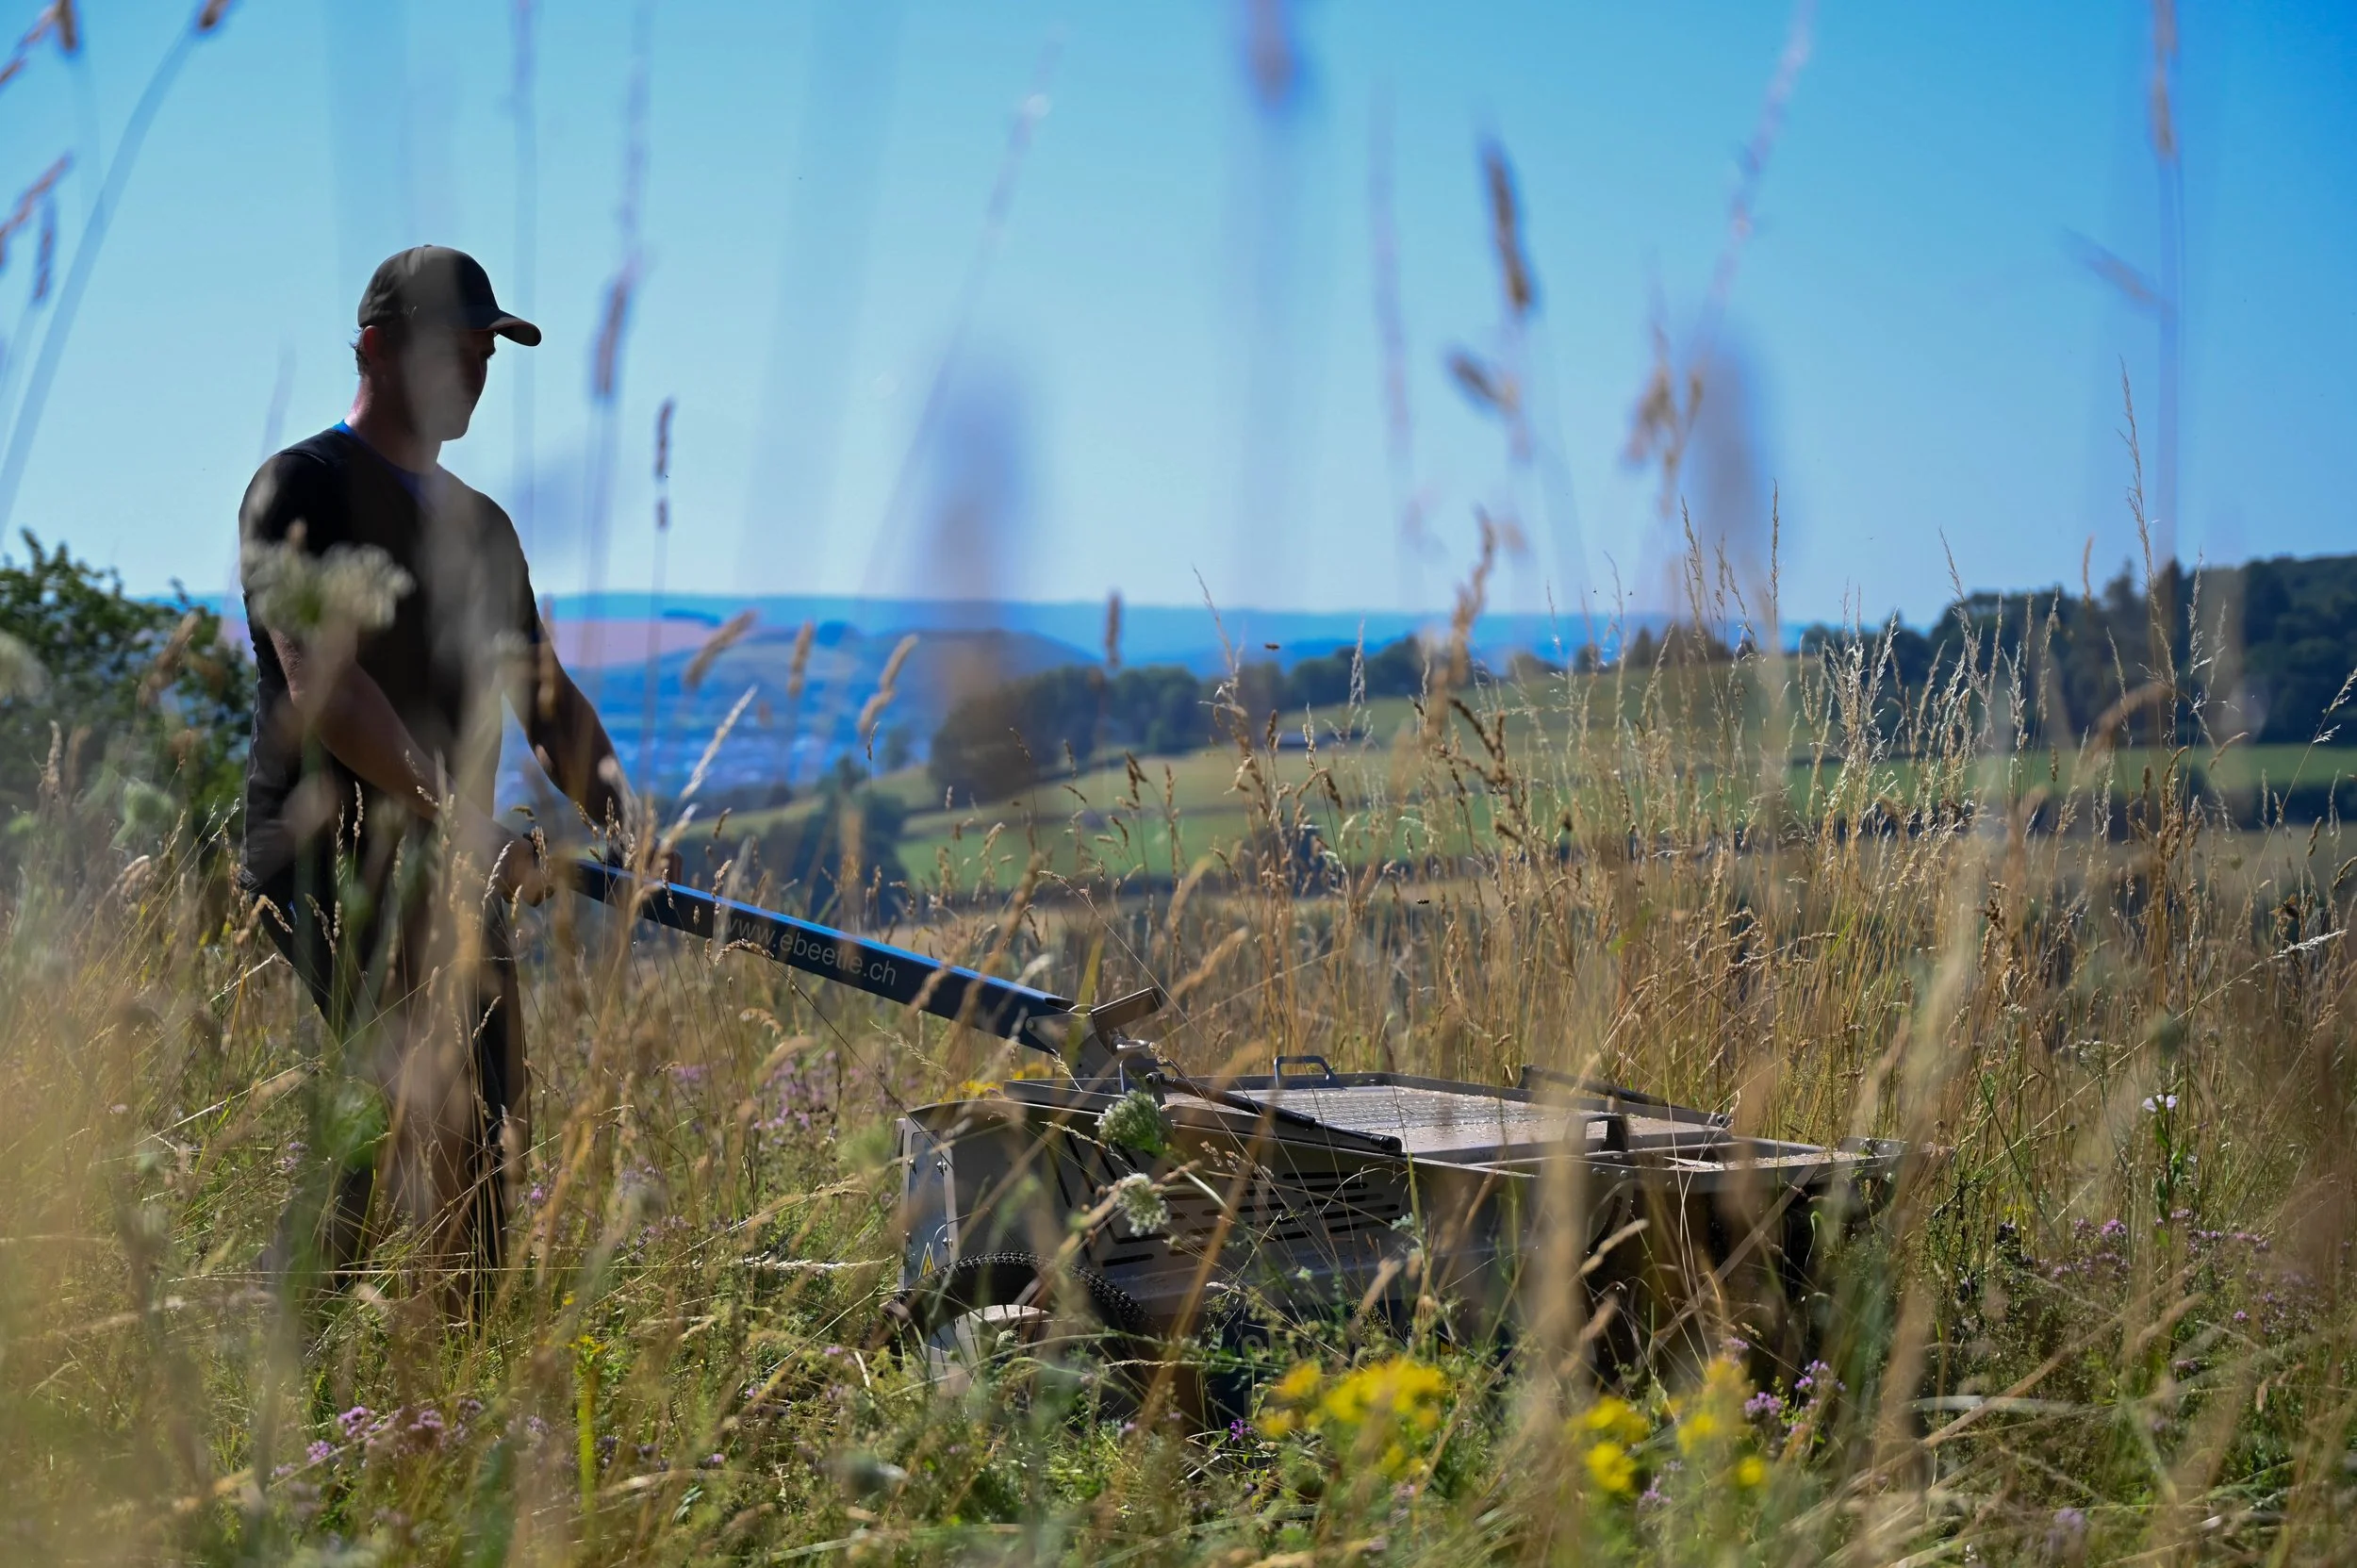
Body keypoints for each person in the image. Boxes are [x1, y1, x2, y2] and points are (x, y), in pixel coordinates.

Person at [239, 245, 628, 1314]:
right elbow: (327, 684)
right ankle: (295, 1364)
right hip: (324, 850)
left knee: (490, 1107)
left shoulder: (483, 526)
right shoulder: (299, 488)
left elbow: (543, 698)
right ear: (374, 347)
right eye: (449, 351)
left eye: (482, 354)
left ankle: (467, 1355)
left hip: (447, 864)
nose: (471, 374)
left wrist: (624, 826)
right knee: (405, 1088)